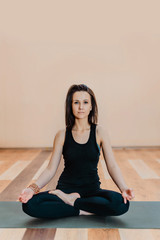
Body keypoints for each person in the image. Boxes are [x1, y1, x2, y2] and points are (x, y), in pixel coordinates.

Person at [18, 84, 135, 219]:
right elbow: (50, 170)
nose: (81, 107)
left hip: (92, 191)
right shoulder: (62, 135)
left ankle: (73, 203)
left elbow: (112, 165)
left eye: (85, 102)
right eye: (76, 102)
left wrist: (123, 188)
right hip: (64, 191)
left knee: (121, 203)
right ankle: (82, 209)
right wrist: (31, 189)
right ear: (70, 105)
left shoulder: (99, 132)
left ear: (91, 106)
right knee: (30, 204)